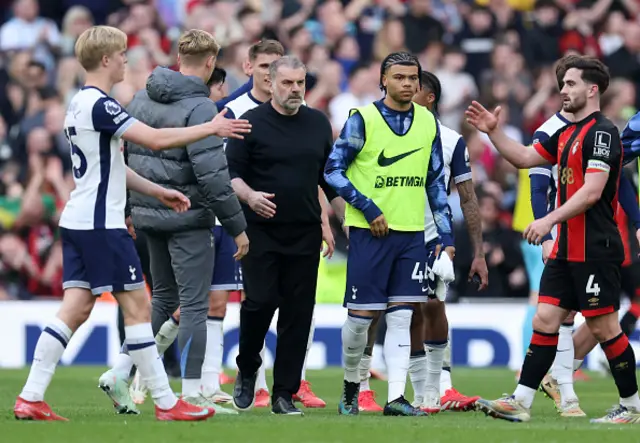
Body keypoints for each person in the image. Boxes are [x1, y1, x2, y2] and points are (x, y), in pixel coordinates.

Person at [13, 25, 239, 422]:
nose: (125, 61)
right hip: (102, 224)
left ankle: (30, 396)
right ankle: (168, 404)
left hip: (79, 220)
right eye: (121, 55)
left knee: (75, 310)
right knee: (139, 308)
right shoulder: (102, 105)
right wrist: (211, 127)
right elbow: (153, 140)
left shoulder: (80, 103)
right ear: (105, 60)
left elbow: (113, 166)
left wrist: (157, 191)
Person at [468, 55, 640, 424]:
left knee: (604, 328)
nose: (563, 90)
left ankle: (632, 406)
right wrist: (494, 132)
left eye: (571, 84)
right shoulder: (565, 133)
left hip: (595, 248)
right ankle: (521, 400)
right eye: (562, 84)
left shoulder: (604, 133)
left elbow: (592, 192)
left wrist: (548, 220)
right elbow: (526, 157)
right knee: (545, 319)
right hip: (566, 250)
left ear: (592, 90)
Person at [98, 29, 250, 415]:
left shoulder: (141, 97)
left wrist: (132, 209)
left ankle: (120, 370)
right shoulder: (200, 108)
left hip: (149, 216)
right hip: (188, 217)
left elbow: (126, 154)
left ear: (178, 56)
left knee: (162, 299)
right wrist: (237, 227)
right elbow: (212, 176)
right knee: (194, 306)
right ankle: (194, 392)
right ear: (211, 62)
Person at [325, 52, 454, 417]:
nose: (408, 84)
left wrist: (447, 236)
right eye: (399, 77)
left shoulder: (428, 122)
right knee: (361, 318)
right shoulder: (362, 120)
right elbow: (332, 171)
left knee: (402, 315)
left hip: (412, 233)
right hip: (370, 233)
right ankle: (352, 382)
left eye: (413, 77)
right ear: (384, 80)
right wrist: (367, 207)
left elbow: (434, 183)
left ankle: (396, 397)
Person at [355, 70, 487, 413]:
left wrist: (478, 251)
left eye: (414, 86)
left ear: (429, 97)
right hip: (380, 231)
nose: (405, 90)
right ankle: (362, 386)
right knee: (374, 312)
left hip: (429, 237)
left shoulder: (450, 140)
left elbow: (467, 198)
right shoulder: (375, 126)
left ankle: (436, 389)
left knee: (428, 307)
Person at [227, 55, 341, 415]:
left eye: (300, 83)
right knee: (259, 304)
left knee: (297, 314)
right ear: (271, 83)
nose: (294, 89)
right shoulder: (250, 123)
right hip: (260, 232)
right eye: (288, 83)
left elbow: (328, 179)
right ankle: (247, 369)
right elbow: (231, 176)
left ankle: (283, 393)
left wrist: (339, 218)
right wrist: (250, 196)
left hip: (304, 231)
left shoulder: (318, 124)